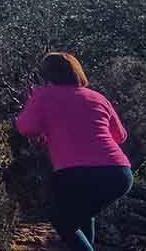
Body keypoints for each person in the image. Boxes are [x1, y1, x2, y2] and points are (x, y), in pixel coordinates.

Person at [15, 53, 133, 251]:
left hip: (74, 173)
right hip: (118, 173)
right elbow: (120, 136)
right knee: (83, 216)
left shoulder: (43, 95)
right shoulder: (98, 97)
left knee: (63, 220)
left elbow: (26, 127)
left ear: (45, 75)